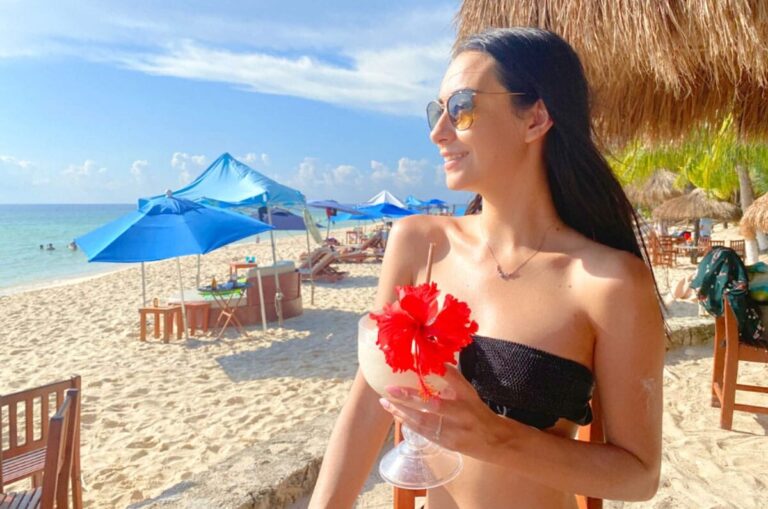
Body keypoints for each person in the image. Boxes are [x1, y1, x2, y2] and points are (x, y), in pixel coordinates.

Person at [309, 27, 665, 508]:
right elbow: (370, 401)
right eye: (437, 112)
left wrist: (494, 437)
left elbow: (638, 476)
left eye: (461, 107)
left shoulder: (607, 282)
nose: (439, 132)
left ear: (536, 117)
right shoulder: (419, 244)